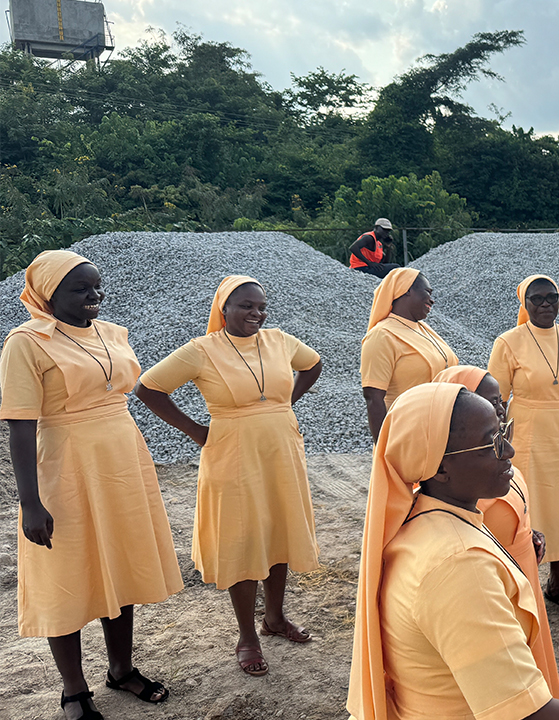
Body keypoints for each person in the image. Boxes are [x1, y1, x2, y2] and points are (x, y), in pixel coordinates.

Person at [345, 383, 559, 720]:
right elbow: (526, 713)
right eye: (491, 442)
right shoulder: (458, 565)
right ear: (439, 467)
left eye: (503, 431)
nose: (508, 450)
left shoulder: (430, 518)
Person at [1, 250, 183, 720]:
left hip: (122, 461)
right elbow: (20, 425)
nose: (93, 296)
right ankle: (74, 690)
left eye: (97, 287)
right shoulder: (25, 343)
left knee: (118, 565)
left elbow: (124, 390)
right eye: (79, 289)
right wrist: (30, 504)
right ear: (48, 295)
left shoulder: (112, 333)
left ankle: (121, 670)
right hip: (65, 464)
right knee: (67, 573)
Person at [134, 276, 323, 677]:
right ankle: (247, 637)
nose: (257, 313)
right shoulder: (202, 350)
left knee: (278, 530)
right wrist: (198, 432)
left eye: (261, 306)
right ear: (224, 309)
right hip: (232, 452)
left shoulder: (279, 340)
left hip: (281, 450)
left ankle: (274, 618)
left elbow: (313, 364)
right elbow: (148, 388)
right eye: (246, 306)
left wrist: (283, 403)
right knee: (242, 539)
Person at [435, 364, 559, 697]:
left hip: (525, 579)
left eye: (501, 400)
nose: (501, 408)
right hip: (498, 593)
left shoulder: (499, 465)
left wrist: (529, 534)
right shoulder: (466, 485)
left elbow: (515, 513)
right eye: (491, 402)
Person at [488, 275, 559, 615]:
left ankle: (556, 583)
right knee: (527, 506)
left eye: (552, 297)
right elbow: (495, 399)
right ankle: (522, 583)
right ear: (525, 304)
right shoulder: (508, 342)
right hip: (528, 432)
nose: (546, 304)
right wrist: (497, 444)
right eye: (537, 299)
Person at [360, 268, 458, 439]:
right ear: (406, 290)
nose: (432, 300)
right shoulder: (382, 336)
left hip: (440, 430)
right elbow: (373, 398)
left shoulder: (423, 329)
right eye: (427, 292)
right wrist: (385, 447)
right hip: (407, 434)